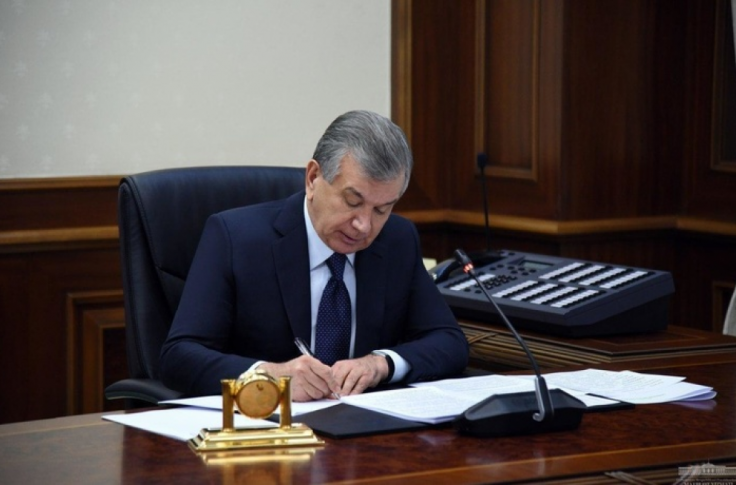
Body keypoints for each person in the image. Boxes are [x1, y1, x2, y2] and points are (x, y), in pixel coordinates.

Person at [159, 110, 469, 401]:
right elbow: (179, 356)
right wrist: (271, 376)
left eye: (381, 210)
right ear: (312, 178)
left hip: (363, 428)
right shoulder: (235, 239)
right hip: (267, 426)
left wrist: (381, 364)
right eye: (352, 201)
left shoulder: (397, 240)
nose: (364, 225)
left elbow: (449, 341)